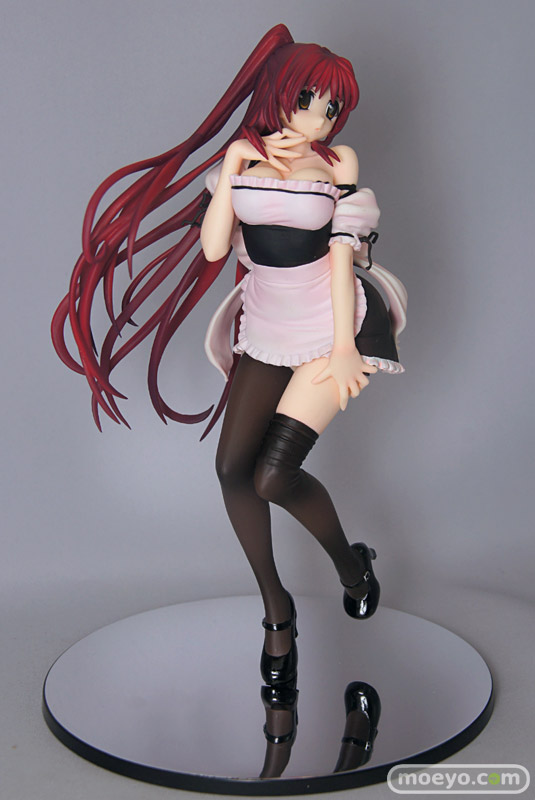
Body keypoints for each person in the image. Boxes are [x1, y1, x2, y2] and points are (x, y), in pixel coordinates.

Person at [52, 24, 407, 686]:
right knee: (229, 469)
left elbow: (340, 259)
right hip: (266, 326)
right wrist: (236, 163)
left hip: (327, 326)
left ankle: (351, 566)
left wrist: (343, 348)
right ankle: (277, 612)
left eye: (331, 107)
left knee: (273, 475)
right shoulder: (240, 163)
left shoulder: (338, 164)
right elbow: (215, 249)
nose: (319, 118)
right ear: (279, 94)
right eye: (308, 100)